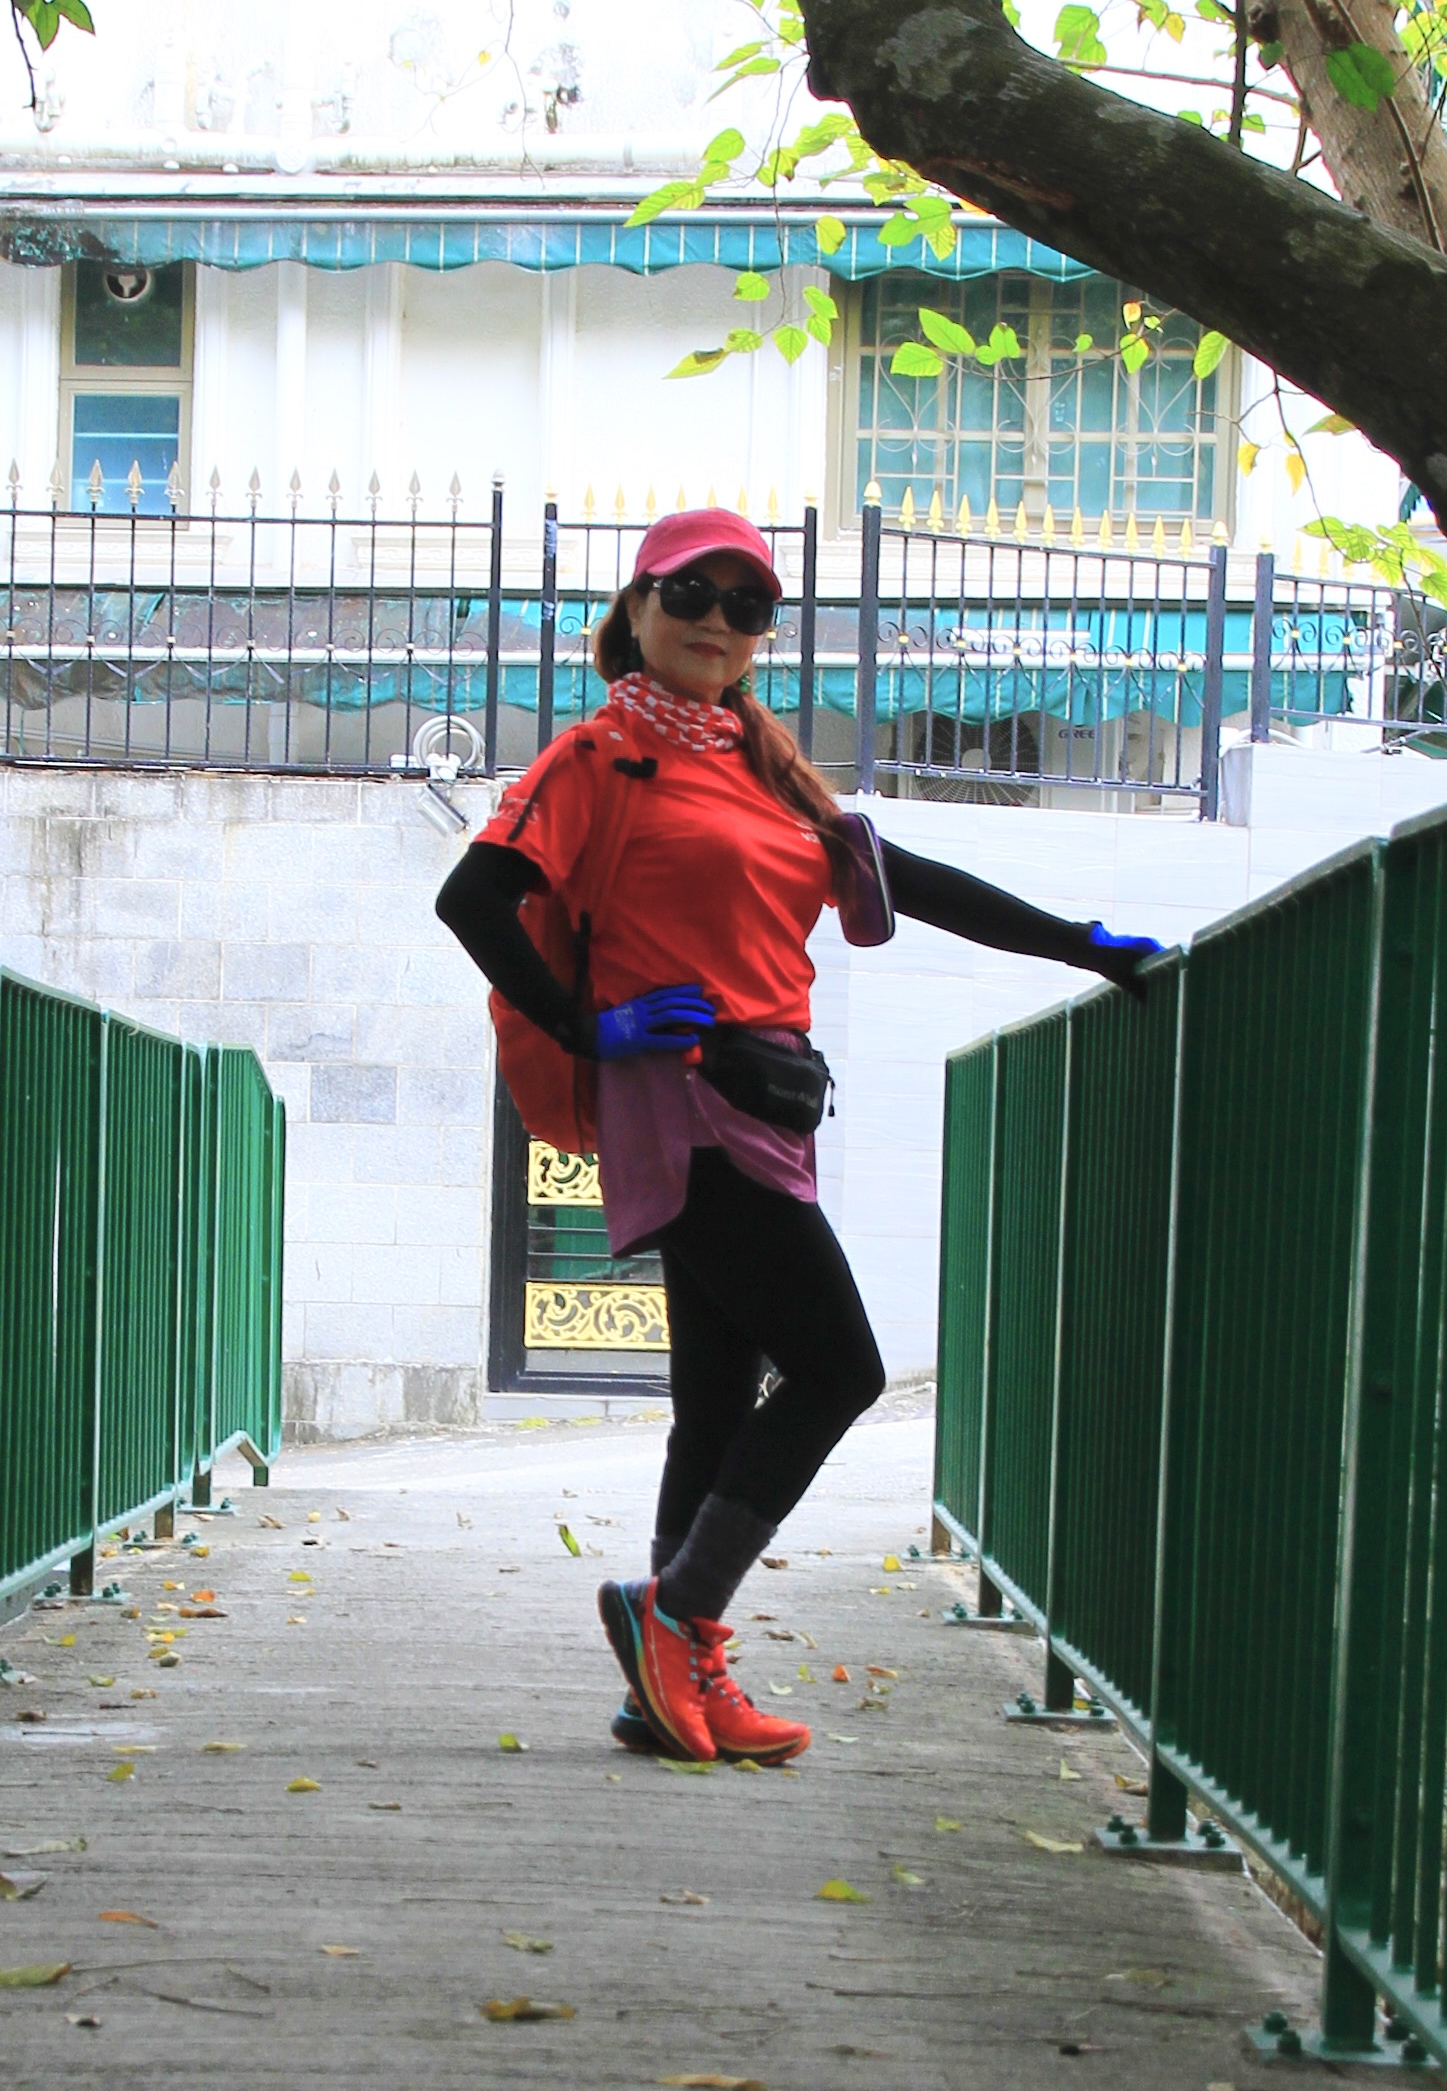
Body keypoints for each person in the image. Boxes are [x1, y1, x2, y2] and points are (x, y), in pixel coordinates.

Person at [435, 502, 1165, 1765]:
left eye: (749, 604)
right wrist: (588, 1028)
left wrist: (1083, 945)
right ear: (637, 608)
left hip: (770, 1106)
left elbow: (908, 882)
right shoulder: (600, 756)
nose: (717, 620)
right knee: (841, 1371)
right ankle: (680, 1616)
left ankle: (666, 1689)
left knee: (716, 1406)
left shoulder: (763, 764)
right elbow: (473, 897)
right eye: (690, 593)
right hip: (686, 1106)